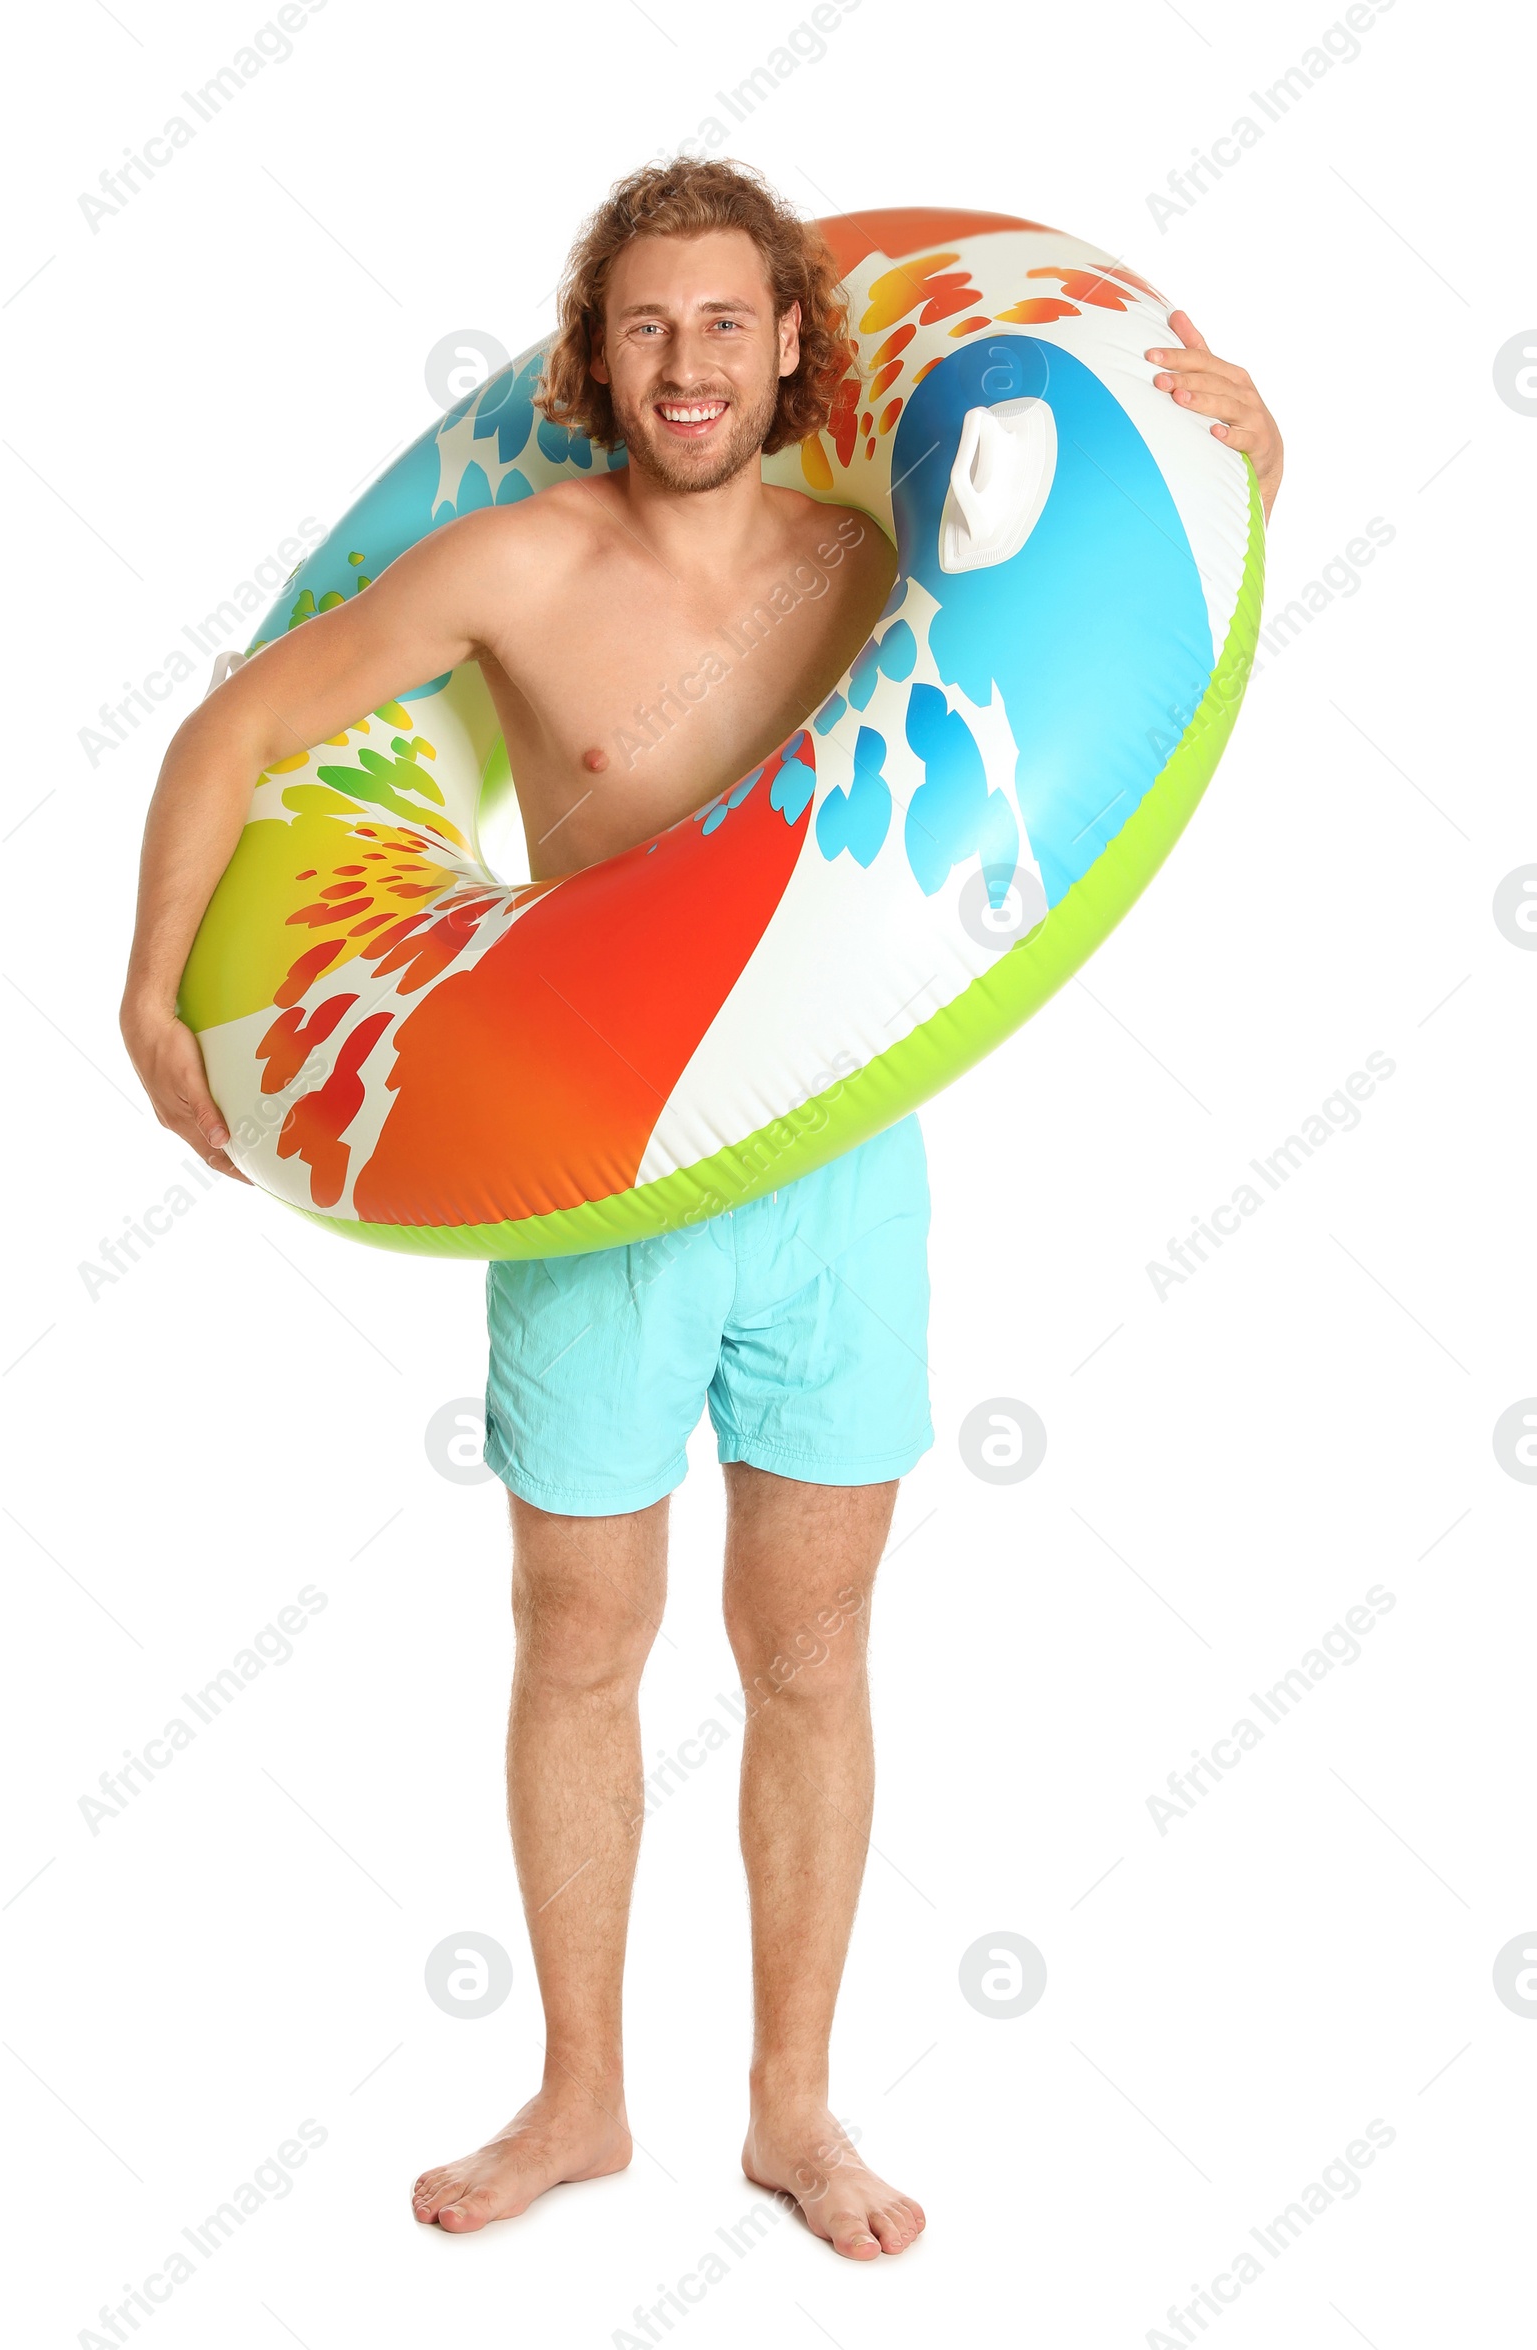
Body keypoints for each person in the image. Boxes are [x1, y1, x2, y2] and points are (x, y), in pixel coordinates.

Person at [121, 158, 1283, 2260]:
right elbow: (243, 722)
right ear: (596, 349)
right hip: (581, 1174)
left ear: (785, 347)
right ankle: (575, 2091)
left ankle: (793, 2107)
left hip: (834, 1177)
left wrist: (1232, 440)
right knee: (580, 1643)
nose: (686, 364)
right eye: (648, 327)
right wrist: (146, 985)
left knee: (810, 1645)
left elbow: (1135, 542)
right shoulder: (511, 562)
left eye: (726, 326)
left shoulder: (866, 560)